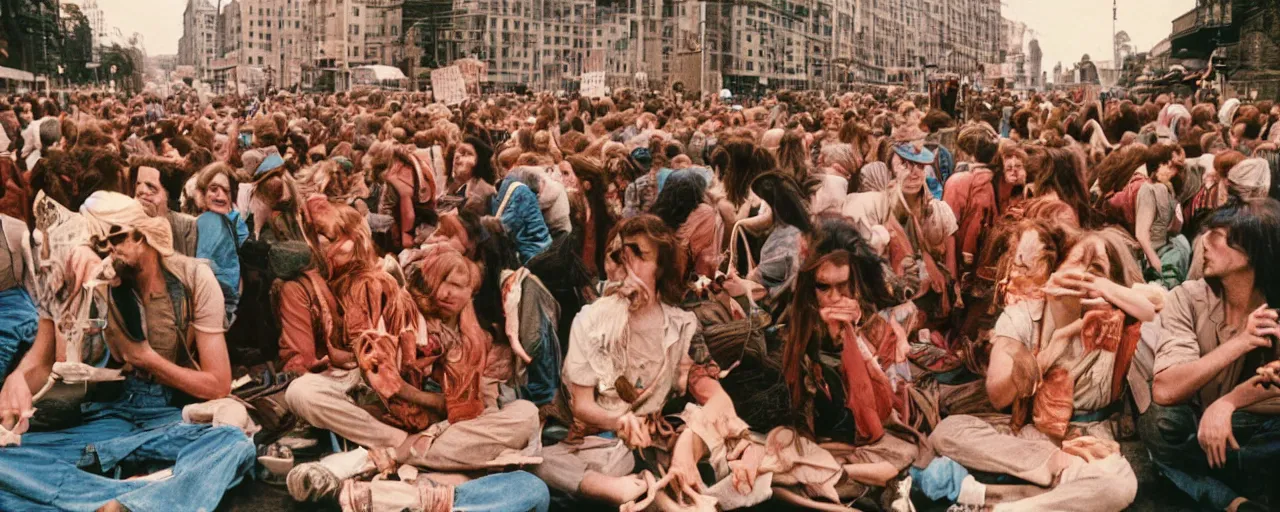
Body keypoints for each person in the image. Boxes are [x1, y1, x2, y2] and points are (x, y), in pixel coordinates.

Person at [0, 192, 255, 512]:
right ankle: (136, 496)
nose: (105, 253)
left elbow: (217, 384)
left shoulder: (193, 279)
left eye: (112, 241)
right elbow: (40, 362)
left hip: (164, 416)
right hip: (101, 420)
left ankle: (117, 498)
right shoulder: (73, 280)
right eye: (96, 246)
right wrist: (17, 382)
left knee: (233, 443)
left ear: (140, 236)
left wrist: (145, 358)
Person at [924, 229, 1153, 512]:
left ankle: (998, 505)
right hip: (1032, 441)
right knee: (948, 431)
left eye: (1097, 270)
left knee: (1120, 486)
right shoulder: (1023, 314)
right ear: (1059, 266)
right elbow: (998, 397)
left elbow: (1155, 304)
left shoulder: (1117, 316)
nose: (1083, 276)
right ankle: (1048, 484)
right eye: (1078, 262)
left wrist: (1102, 288)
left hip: (1089, 442)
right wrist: (1053, 346)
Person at [535, 215, 739, 506]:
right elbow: (582, 405)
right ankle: (609, 486)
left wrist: (685, 446)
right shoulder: (592, 320)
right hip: (598, 444)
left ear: (660, 267)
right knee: (539, 461)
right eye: (617, 257)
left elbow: (717, 399)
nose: (623, 269)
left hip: (658, 440)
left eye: (638, 257)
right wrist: (618, 420)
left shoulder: (680, 325)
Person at [1143, 198, 1280, 512]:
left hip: (1250, 427)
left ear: (1254, 251)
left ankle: (1212, 482)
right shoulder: (1188, 298)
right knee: (1158, 423)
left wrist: (1229, 403)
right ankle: (1235, 499)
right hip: (1199, 426)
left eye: (1218, 236)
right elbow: (1165, 389)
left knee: (1174, 456)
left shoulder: (1275, 301)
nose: (1204, 242)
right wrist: (1242, 342)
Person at [193, 163, 245, 322]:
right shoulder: (211, 221)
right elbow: (202, 271)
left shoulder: (231, 220)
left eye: (226, 191)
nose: (220, 196)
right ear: (202, 193)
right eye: (214, 189)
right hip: (216, 310)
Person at [133, 163, 198, 257]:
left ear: (168, 197)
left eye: (151, 187)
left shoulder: (188, 227)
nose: (141, 191)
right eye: (138, 184)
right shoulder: (125, 223)